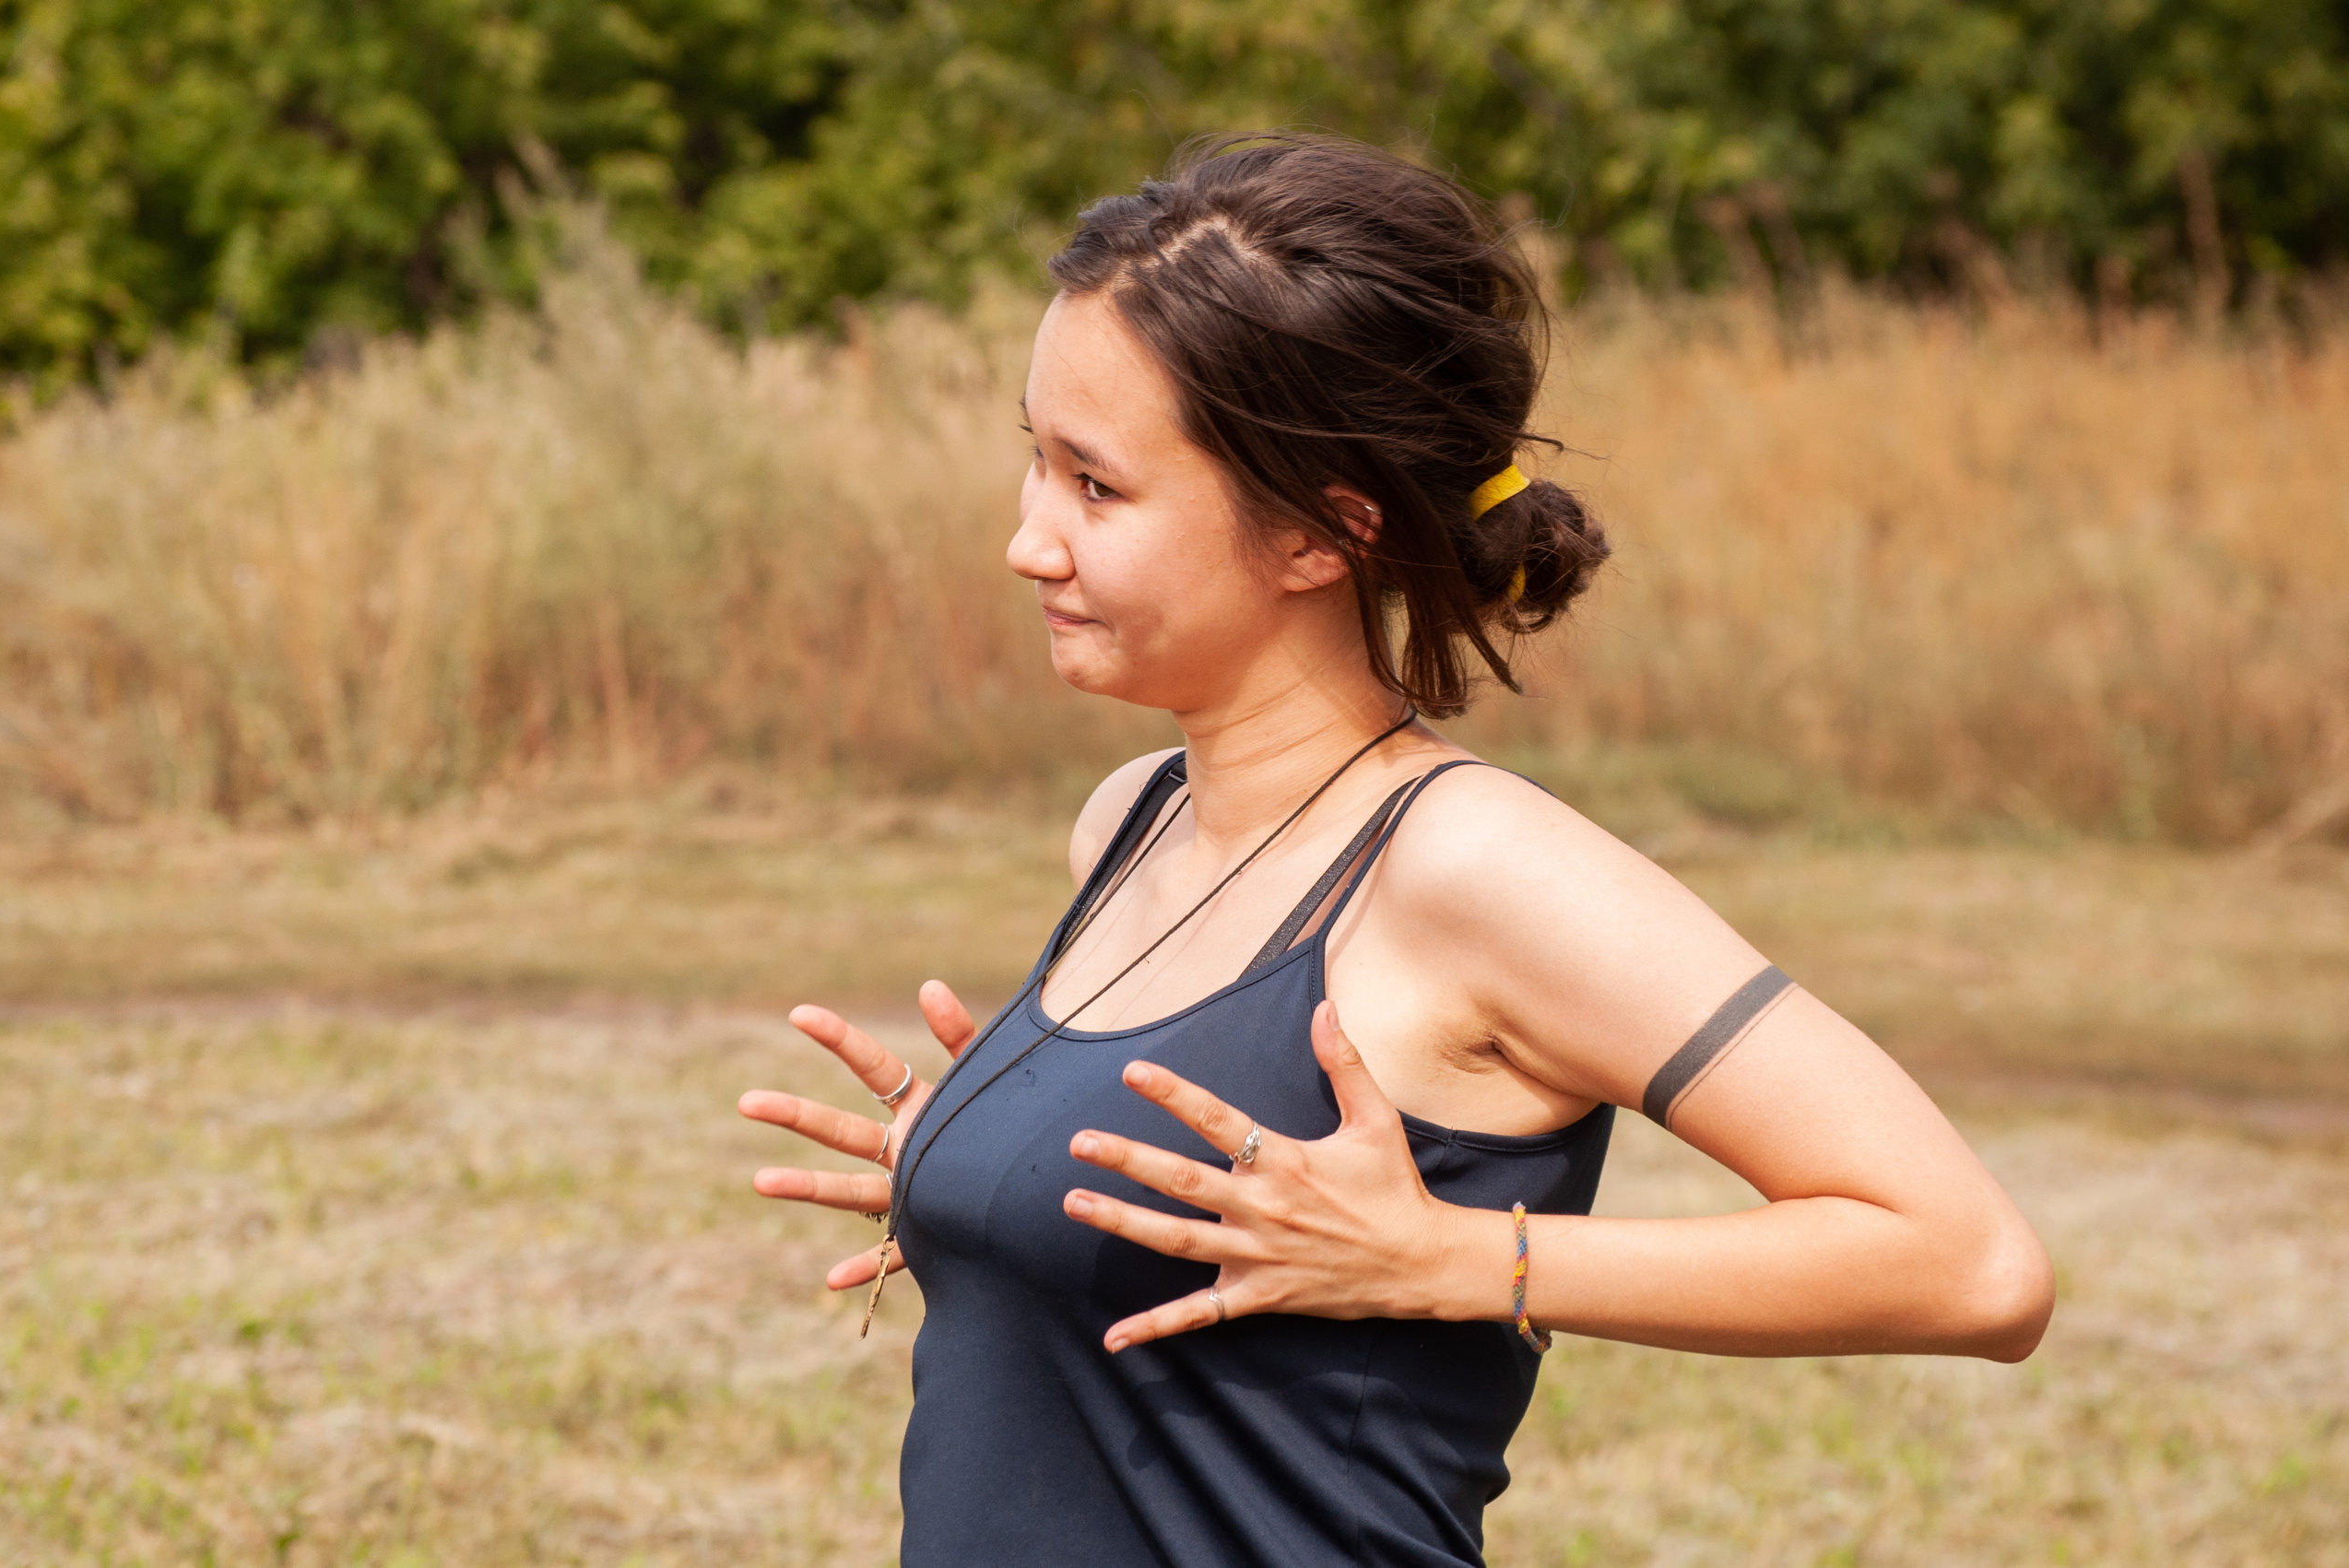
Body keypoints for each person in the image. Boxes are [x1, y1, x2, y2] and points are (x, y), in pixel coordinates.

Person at [738, 132, 2054, 1567]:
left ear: (1321, 533)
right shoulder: (1131, 819)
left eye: (1095, 487)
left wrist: (1458, 1259)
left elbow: (1972, 1263)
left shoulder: (1474, 868)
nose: (1027, 540)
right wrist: (988, 1175)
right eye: (1033, 461)